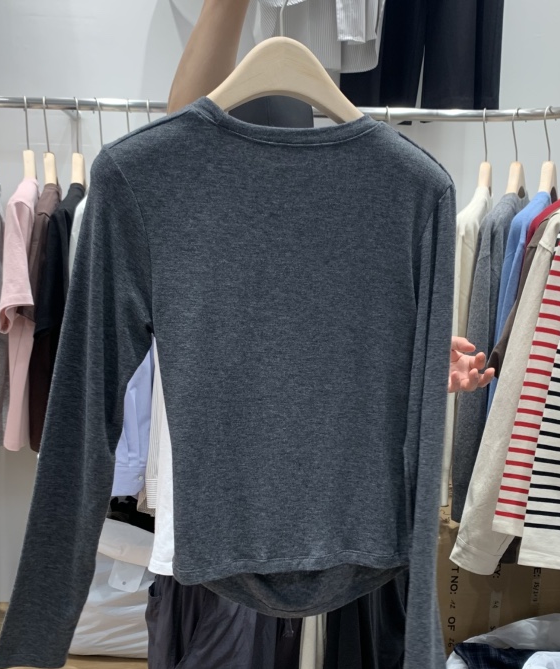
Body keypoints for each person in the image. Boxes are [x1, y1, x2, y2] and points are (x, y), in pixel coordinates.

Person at [168, 0, 494, 394]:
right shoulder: (197, 232)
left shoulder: (318, 249)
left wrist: (408, 362)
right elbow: (179, 149)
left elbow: (317, 336)